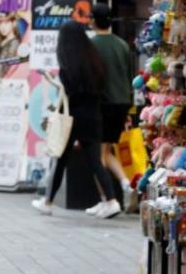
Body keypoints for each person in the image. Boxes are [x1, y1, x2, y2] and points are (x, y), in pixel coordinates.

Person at [32, 21, 121, 219]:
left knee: (60, 160)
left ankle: (47, 202)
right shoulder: (95, 60)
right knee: (96, 161)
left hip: (71, 119)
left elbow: (69, 93)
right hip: (93, 117)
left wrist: (51, 81)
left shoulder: (68, 65)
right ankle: (112, 201)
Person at [90, 4, 137, 213]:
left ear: (93, 20)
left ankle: (107, 200)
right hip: (121, 103)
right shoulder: (122, 45)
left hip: (102, 104)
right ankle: (125, 184)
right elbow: (130, 78)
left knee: (97, 155)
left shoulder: (91, 45)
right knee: (107, 151)